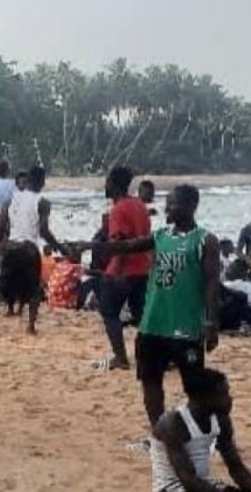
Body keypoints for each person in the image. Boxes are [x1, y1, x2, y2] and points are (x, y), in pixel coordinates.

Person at [88, 183, 219, 427]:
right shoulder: (160, 237)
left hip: (187, 326)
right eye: (167, 203)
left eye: (173, 203)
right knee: (150, 381)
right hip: (152, 324)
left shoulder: (205, 241)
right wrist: (91, 246)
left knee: (194, 385)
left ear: (191, 206)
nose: (167, 208)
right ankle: (159, 433)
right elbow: (127, 246)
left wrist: (211, 323)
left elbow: (212, 284)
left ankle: (200, 434)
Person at [0, 166, 61, 338]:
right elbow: (43, 231)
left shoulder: (10, 200)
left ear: (28, 180)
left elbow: (1, 226)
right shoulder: (43, 202)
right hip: (29, 250)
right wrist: (59, 246)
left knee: (2, 287)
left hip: (11, 247)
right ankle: (31, 326)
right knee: (34, 290)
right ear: (41, 182)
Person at [95, 166, 152, 371]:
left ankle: (120, 357)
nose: (105, 185)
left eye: (108, 182)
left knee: (109, 312)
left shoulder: (117, 210)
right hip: (142, 269)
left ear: (114, 184)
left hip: (122, 270)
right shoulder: (140, 205)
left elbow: (118, 242)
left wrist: (116, 271)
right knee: (142, 316)